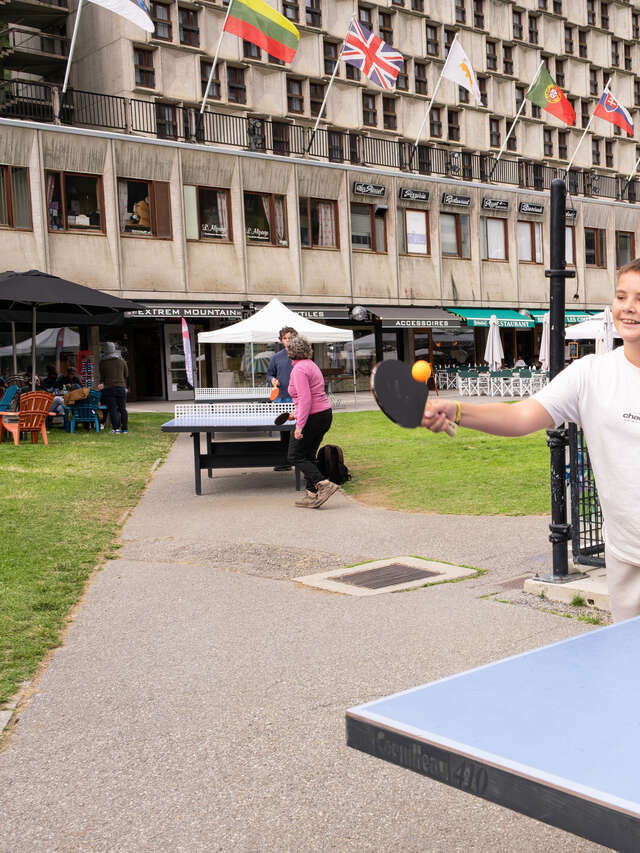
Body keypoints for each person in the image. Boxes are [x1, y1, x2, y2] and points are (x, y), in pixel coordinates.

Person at [423, 258, 640, 623]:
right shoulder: (590, 374)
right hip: (627, 558)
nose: (629, 307)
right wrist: (457, 410)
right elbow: (522, 416)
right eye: (621, 296)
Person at [285, 334, 338, 509]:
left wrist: (299, 425)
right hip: (323, 414)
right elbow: (308, 398)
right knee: (307, 456)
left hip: (313, 417)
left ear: (290, 352)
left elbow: (306, 398)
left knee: (295, 455)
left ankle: (323, 484)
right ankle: (311, 494)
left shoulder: (298, 370)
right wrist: (297, 412)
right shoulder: (311, 365)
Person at [98, 342, 129, 434]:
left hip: (109, 388)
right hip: (121, 387)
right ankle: (125, 429)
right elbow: (126, 374)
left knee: (113, 409)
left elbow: (102, 376)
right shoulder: (121, 360)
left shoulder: (103, 362)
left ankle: (116, 429)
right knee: (122, 409)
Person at [266, 326, 296, 402]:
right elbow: (269, 375)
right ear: (281, 340)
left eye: (290, 338)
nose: (288, 340)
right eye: (285, 338)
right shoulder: (276, 357)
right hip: (280, 397)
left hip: (297, 396)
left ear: (295, 339)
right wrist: (272, 379)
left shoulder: (301, 355)